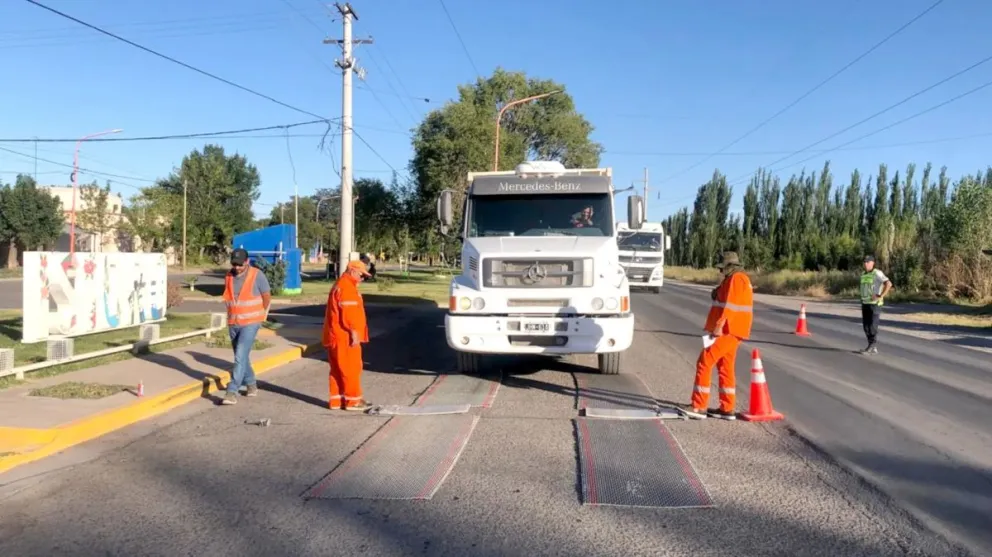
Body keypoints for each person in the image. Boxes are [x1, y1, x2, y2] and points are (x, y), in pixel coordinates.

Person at [682, 252, 753, 420]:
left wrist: (719, 326)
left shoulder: (737, 279)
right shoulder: (734, 279)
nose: (720, 272)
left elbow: (731, 306)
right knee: (725, 367)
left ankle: (698, 406)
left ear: (730, 267)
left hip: (728, 330)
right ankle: (727, 408)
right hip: (733, 330)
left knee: (704, 361)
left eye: (722, 268)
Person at [220, 248, 271, 405]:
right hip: (233, 322)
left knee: (240, 355)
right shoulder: (228, 276)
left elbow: (266, 296)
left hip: (251, 322)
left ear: (247, 262)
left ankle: (232, 390)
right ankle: (251, 384)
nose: (237, 267)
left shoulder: (257, 275)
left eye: (240, 264)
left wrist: (261, 315)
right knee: (241, 356)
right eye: (234, 264)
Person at [321, 259, 372, 411]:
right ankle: (353, 401)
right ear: (353, 271)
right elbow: (349, 315)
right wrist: (354, 332)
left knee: (337, 369)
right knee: (351, 368)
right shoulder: (347, 287)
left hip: (335, 335)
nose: (362, 279)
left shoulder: (340, 285)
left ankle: (337, 401)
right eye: (361, 275)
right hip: (345, 336)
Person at [859, 255, 893, 355]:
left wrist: (880, 295)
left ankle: (872, 347)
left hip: (875, 304)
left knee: (872, 326)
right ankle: (871, 346)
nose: (865, 264)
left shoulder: (877, 273)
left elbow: (888, 284)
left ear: (872, 263)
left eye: (868, 262)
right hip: (865, 303)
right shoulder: (863, 274)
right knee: (866, 327)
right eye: (864, 262)